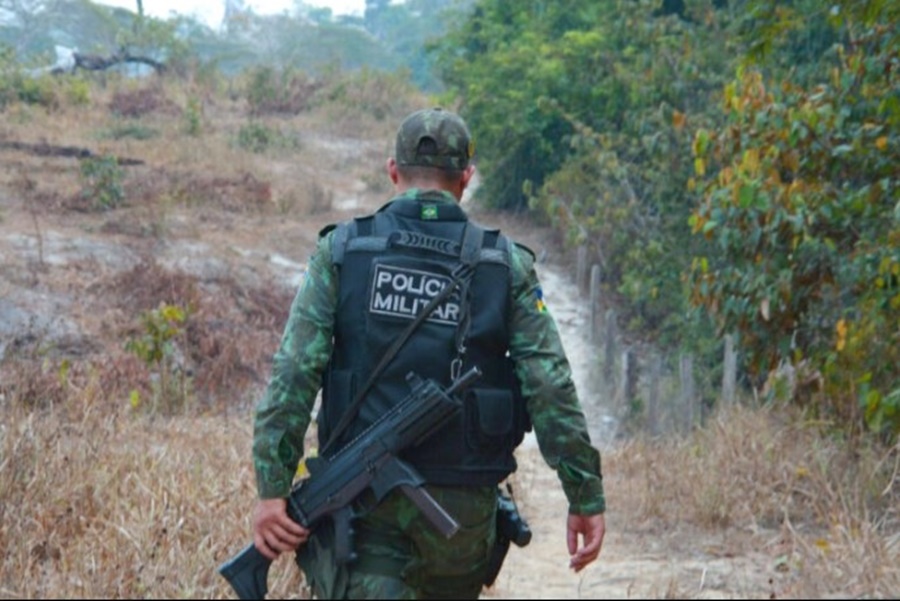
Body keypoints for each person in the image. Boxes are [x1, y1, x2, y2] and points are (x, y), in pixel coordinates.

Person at [250, 107, 606, 599]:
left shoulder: (342, 251)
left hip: (364, 517)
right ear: (466, 178)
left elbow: (293, 373)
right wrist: (583, 492)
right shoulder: (506, 265)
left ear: (392, 169)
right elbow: (549, 385)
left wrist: (271, 488)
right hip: (458, 517)